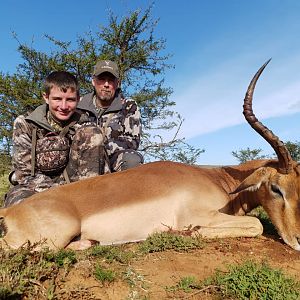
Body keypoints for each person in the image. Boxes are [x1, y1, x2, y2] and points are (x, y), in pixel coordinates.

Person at [5, 71, 105, 207]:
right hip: (33, 188)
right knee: (20, 208)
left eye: (70, 100)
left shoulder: (86, 126)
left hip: (74, 189)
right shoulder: (25, 124)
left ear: (78, 99)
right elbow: (24, 173)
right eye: (57, 99)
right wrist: (56, 195)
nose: (63, 106)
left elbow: (91, 175)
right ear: (46, 97)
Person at [77, 60, 143, 173]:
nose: (106, 85)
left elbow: (133, 141)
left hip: (113, 157)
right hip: (82, 156)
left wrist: (101, 147)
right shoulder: (79, 104)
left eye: (111, 80)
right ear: (93, 81)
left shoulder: (128, 106)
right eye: (102, 79)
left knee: (132, 160)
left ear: (117, 83)